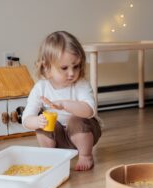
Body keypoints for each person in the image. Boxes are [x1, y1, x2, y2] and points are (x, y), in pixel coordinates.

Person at [22, 31, 101, 171]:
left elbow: (89, 110)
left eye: (75, 66)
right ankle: (50, 156)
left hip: (82, 133)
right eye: (64, 68)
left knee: (75, 120)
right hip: (58, 138)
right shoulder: (41, 87)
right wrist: (37, 121)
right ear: (47, 68)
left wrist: (64, 105)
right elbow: (26, 119)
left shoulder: (80, 84)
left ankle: (85, 156)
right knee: (44, 122)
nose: (71, 73)